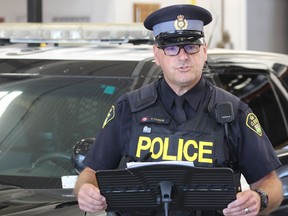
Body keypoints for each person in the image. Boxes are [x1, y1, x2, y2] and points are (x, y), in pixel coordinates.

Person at [74, 4, 283, 216]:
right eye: (171, 48)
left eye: (191, 46)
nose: (183, 57)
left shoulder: (233, 112)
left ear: (204, 51)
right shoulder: (128, 109)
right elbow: (90, 173)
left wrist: (260, 199)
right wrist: (85, 190)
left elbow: (270, 183)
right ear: (157, 54)